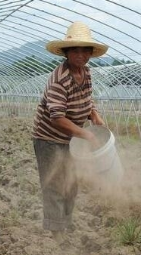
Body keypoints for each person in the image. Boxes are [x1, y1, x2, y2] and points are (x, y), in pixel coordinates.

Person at [32, 21, 108, 244]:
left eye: (86, 50)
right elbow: (57, 118)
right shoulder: (59, 79)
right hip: (48, 139)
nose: (81, 55)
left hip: (72, 139)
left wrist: (93, 115)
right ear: (66, 51)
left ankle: (65, 222)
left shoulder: (86, 73)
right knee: (55, 183)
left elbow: (87, 98)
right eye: (76, 49)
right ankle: (57, 232)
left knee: (72, 183)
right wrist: (87, 134)